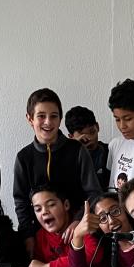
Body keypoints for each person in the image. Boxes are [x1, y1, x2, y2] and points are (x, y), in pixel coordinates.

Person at [12, 88, 101, 256]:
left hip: (78, 232)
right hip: (42, 239)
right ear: (30, 119)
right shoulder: (24, 157)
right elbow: (21, 201)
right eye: (41, 116)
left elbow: (94, 192)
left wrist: (78, 221)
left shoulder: (77, 150)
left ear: (60, 119)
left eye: (53, 116)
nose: (48, 122)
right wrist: (28, 235)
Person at [27, 185, 74, 267]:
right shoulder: (40, 236)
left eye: (51, 205)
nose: (44, 212)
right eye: (38, 209)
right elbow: (36, 266)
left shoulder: (81, 228)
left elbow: (85, 260)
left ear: (66, 205)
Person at [65, 105, 110, 188]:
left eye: (92, 132)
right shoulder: (65, 158)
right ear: (71, 137)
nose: (90, 138)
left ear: (97, 127)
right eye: (82, 135)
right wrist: (76, 149)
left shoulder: (110, 151)